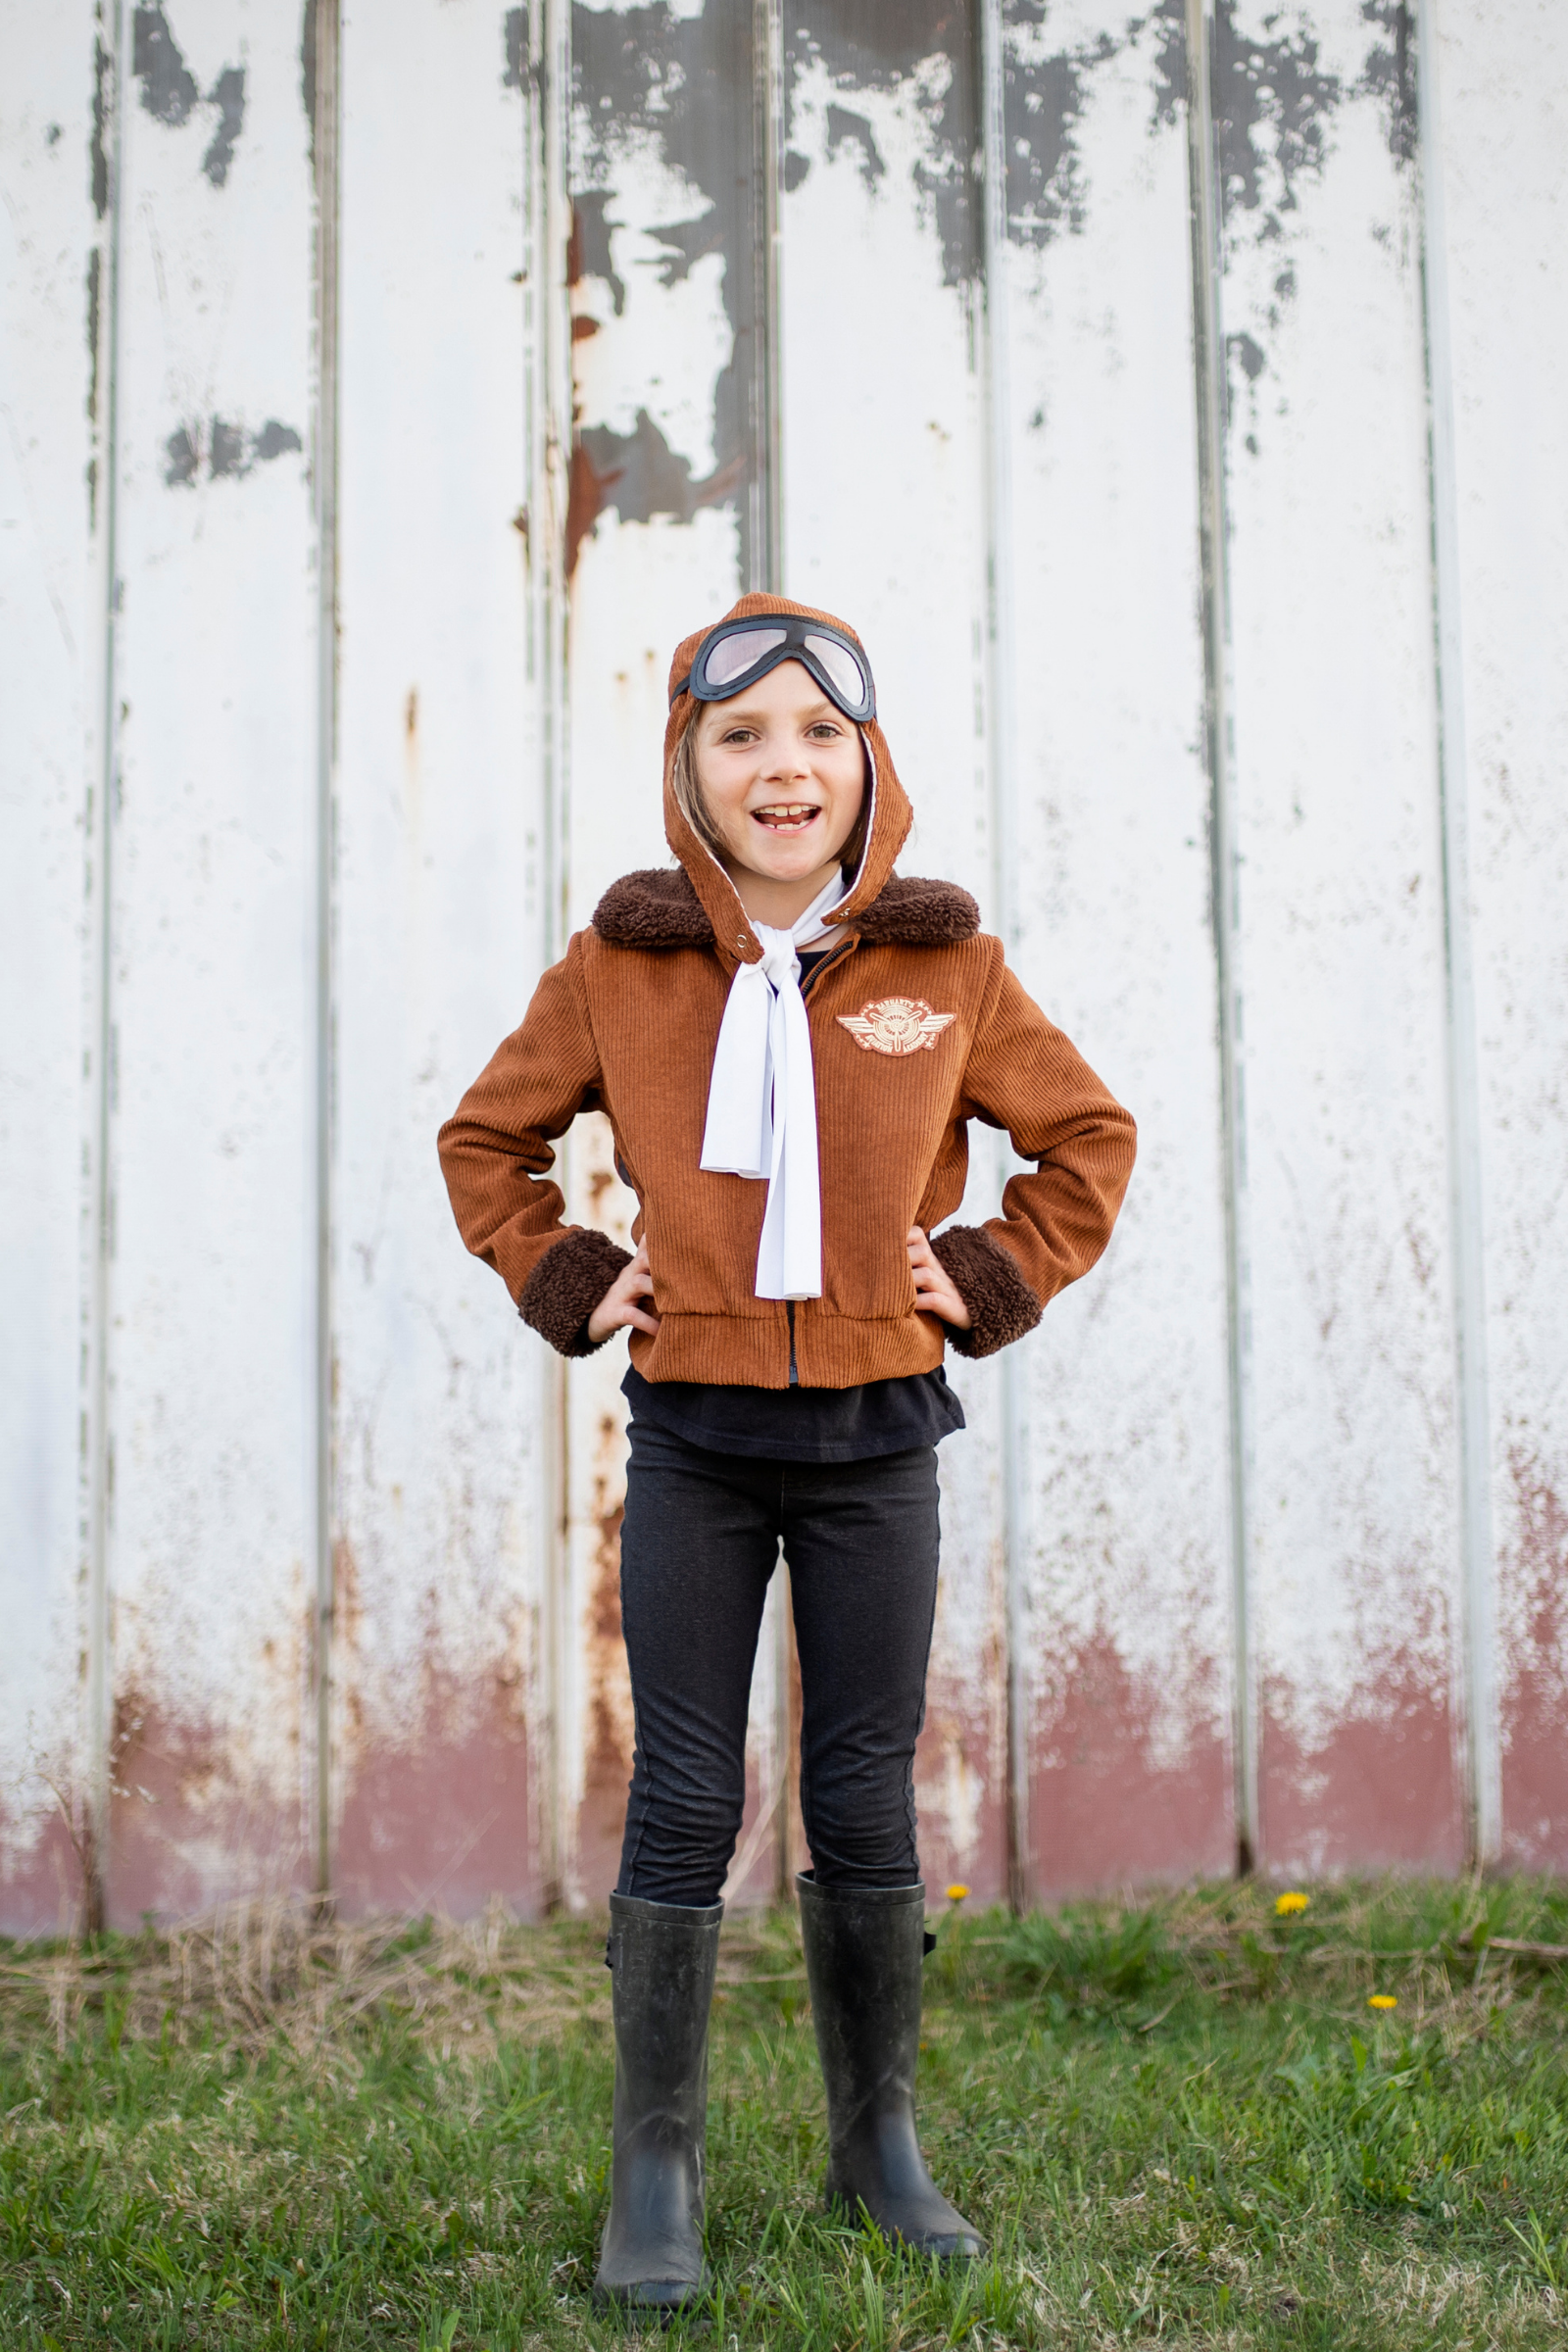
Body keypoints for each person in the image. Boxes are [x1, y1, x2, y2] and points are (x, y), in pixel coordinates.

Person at [438, 593, 1136, 2312]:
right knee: (688, 1794)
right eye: (741, 735)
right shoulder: (621, 963)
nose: (783, 766)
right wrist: (579, 1276)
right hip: (697, 1438)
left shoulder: (945, 966)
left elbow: (1087, 1137)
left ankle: (873, 2142)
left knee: (861, 1782)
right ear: (687, 763)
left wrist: (978, 1269)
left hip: (880, 1440)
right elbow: (488, 1137)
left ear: (868, 766)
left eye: (819, 734)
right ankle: (654, 2164)